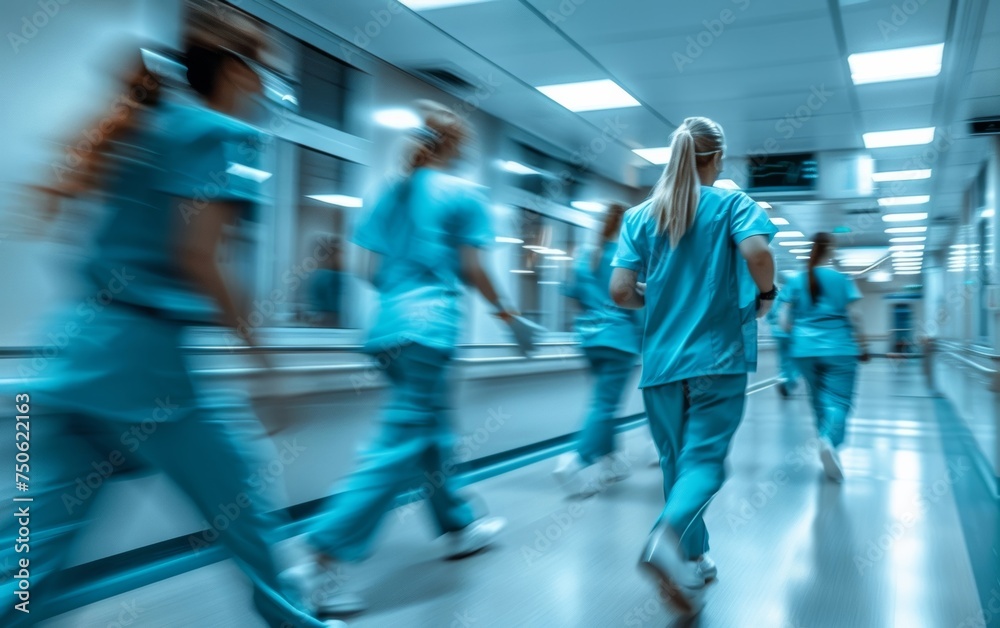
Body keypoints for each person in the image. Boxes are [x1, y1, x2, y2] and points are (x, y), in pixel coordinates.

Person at [0, 3, 341, 627]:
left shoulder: (142, 126)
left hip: (73, 354)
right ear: (238, 72)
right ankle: (295, 621)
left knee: (26, 555)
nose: (273, 89)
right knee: (245, 506)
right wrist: (267, 363)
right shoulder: (212, 132)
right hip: (149, 373)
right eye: (269, 71)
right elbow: (200, 258)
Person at [288, 100, 514, 617]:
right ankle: (319, 560)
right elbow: (473, 268)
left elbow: (366, 269)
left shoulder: (387, 193)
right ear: (455, 147)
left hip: (386, 329)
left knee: (429, 434)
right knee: (398, 444)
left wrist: (400, 294)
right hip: (429, 332)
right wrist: (507, 314)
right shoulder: (464, 194)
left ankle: (458, 525)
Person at [609, 116, 777, 615]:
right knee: (703, 463)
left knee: (676, 464)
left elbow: (619, 291)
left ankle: (694, 557)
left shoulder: (641, 216)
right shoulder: (732, 204)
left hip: (660, 365)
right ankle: (666, 537)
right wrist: (766, 293)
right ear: (717, 159)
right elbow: (759, 253)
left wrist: (657, 300)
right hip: (716, 359)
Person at [552, 201, 643, 497]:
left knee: (603, 403)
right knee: (605, 404)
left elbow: (573, 294)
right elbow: (632, 301)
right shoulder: (624, 255)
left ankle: (611, 460)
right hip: (619, 339)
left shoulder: (585, 256)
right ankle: (573, 461)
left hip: (590, 339)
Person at [780, 232, 869, 482]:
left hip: (804, 350)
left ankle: (825, 443)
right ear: (831, 250)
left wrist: (797, 335)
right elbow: (856, 316)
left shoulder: (797, 280)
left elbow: (783, 319)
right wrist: (862, 343)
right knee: (839, 401)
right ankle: (829, 442)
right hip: (839, 348)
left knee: (818, 400)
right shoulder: (842, 279)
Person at [766, 279, 799, 397]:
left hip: (777, 332)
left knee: (783, 358)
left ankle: (783, 377)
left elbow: (769, 316)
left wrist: (774, 325)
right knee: (796, 359)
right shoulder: (796, 295)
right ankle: (789, 381)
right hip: (792, 333)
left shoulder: (776, 298)